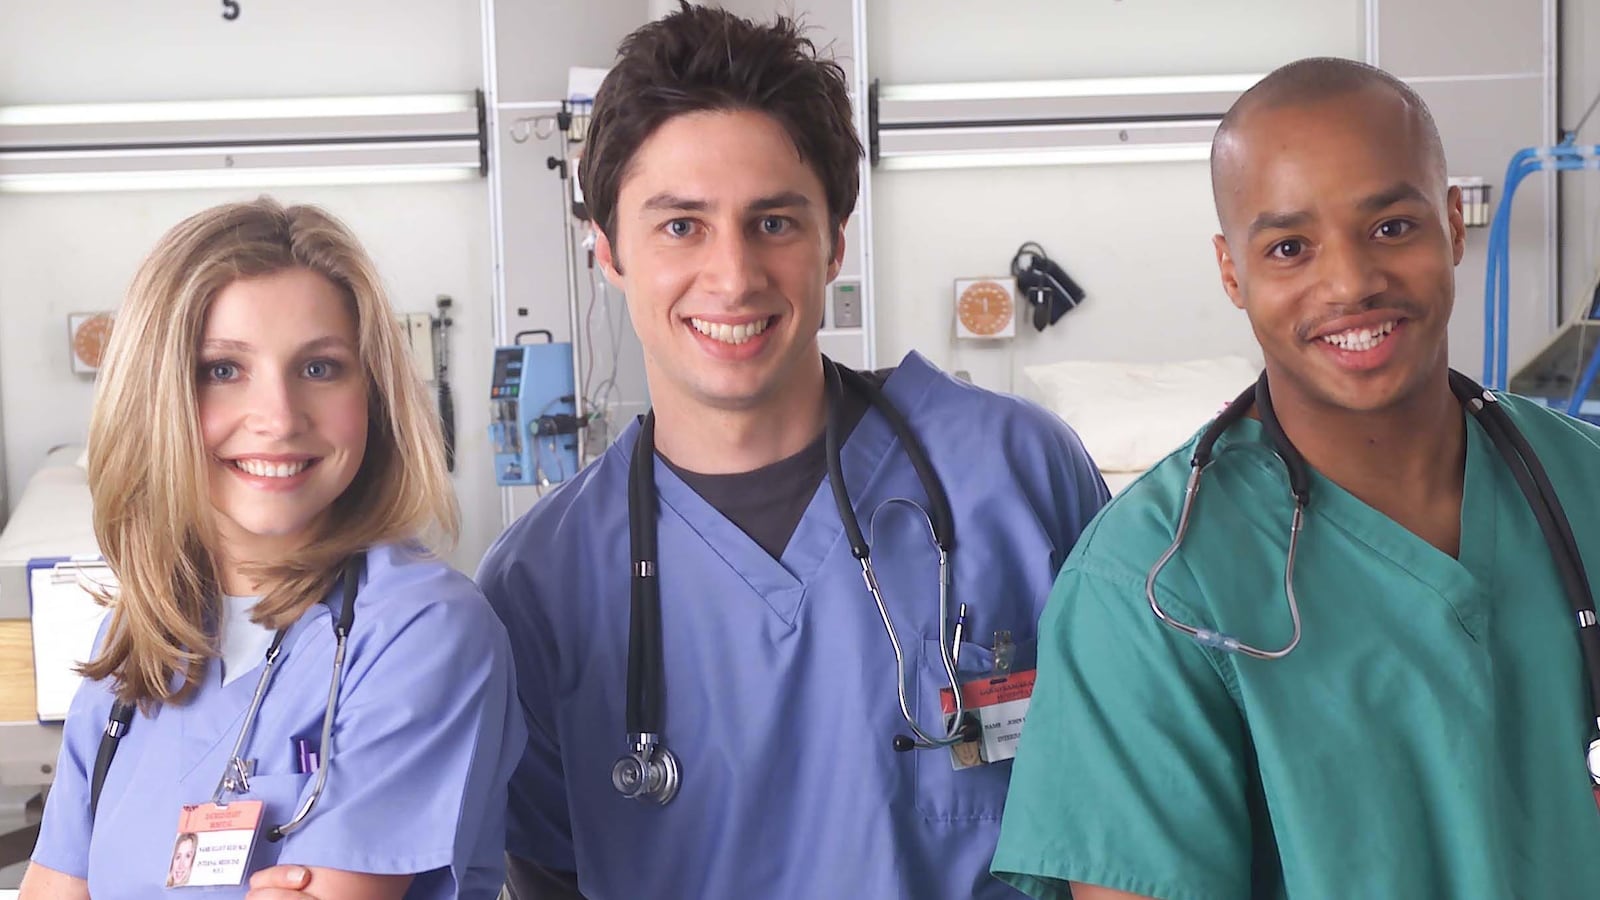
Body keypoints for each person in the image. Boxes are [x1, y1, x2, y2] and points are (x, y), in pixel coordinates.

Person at [482, 5, 1102, 898]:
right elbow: (547, 872)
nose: (733, 276)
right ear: (608, 253)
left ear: (833, 245)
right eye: (680, 226)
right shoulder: (539, 584)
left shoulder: (1013, 474)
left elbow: (1126, 808)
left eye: (773, 222)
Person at [991, 57, 1600, 900]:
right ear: (1232, 272)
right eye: (1289, 247)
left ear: (1453, 227)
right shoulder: (1151, 586)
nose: (1351, 283)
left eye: (1391, 226)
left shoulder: (1583, 487)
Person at [19, 198, 525, 900]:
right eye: (222, 370)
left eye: (320, 368)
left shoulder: (419, 631)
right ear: (154, 397)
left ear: (372, 393)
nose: (280, 419)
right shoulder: (139, 641)